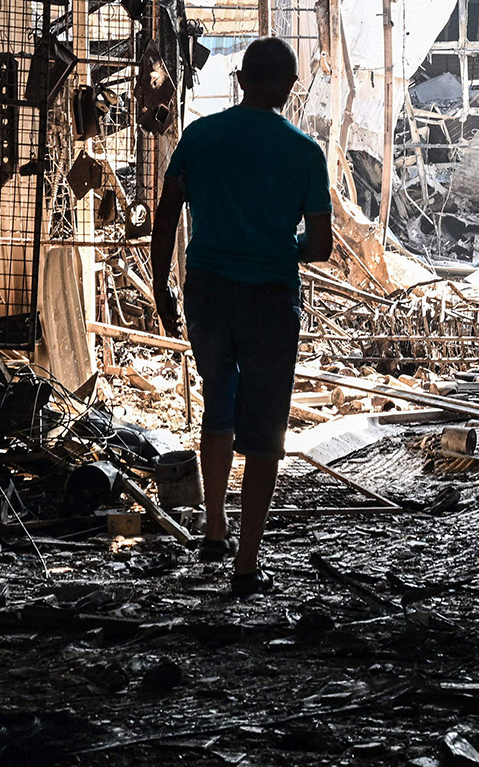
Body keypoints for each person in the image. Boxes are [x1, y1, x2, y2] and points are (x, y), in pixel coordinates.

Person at [151, 38, 333, 597]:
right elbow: (321, 245)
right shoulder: (304, 152)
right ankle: (246, 565)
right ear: (290, 86)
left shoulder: (200, 137)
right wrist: (276, 244)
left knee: (218, 400)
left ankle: (214, 526)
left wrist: (161, 286)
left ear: (240, 79)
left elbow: (165, 216)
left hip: (206, 291)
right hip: (270, 297)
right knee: (264, 430)